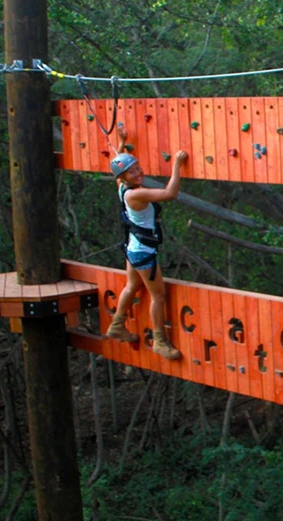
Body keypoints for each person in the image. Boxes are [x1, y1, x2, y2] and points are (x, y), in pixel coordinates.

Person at [104, 123, 187, 361]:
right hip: (143, 253)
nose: (139, 172)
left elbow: (117, 165)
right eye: (133, 171)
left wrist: (121, 141)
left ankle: (117, 325)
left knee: (132, 287)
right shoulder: (136, 194)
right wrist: (177, 166)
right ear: (124, 177)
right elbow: (170, 194)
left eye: (138, 167)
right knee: (158, 296)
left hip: (133, 248)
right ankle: (160, 340)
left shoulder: (122, 188)